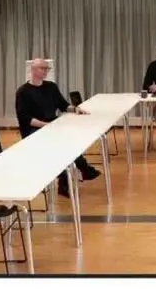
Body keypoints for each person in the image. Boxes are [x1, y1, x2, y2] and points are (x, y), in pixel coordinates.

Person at [15, 58, 101, 198]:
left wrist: (75, 109)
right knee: (59, 145)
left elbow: (63, 104)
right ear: (33, 69)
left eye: (47, 68)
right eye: (43, 68)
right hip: (34, 129)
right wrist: (46, 125)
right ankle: (79, 171)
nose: (46, 71)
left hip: (52, 125)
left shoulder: (51, 87)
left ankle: (70, 178)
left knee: (70, 140)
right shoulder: (23, 91)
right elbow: (25, 118)